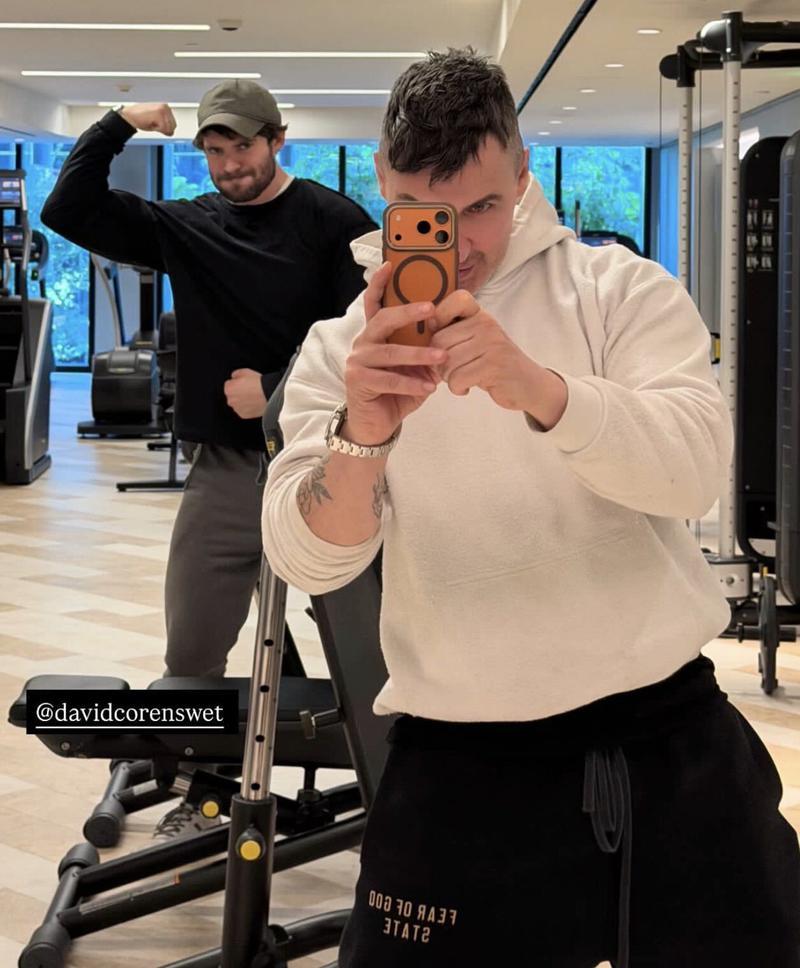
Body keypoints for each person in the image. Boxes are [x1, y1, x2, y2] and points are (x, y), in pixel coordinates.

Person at [262, 48, 800, 968]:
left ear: (524, 176)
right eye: (425, 215)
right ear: (388, 193)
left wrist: (543, 391)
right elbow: (309, 560)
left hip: (665, 733)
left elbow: (694, 474)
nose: (460, 243)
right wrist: (363, 438)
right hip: (459, 755)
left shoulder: (621, 293)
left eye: (481, 206)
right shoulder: (342, 349)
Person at [42, 80, 376, 838]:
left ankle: (396, 781)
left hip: (332, 465)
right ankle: (202, 790)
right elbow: (66, 208)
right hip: (226, 471)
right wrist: (119, 122)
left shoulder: (332, 222)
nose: (229, 165)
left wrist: (281, 389)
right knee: (191, 644)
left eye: (243, 147)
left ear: (277, 138)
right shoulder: (185, 225)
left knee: (369, 643)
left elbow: (369, 336)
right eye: (215, 151)